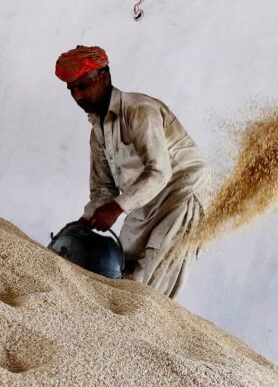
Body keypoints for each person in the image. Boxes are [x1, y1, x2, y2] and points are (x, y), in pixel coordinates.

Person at [56, 45, 209, 299]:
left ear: (104, 78)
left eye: (83, 86)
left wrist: (116, 208)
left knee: (149, 281)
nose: (77, 95)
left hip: (181, 196)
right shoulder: (97, 132)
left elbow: (160, 171)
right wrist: (84, 223)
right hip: (142, 203)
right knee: (118, 267)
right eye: (71, 89)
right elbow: (103, 191)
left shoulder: (139, 111)